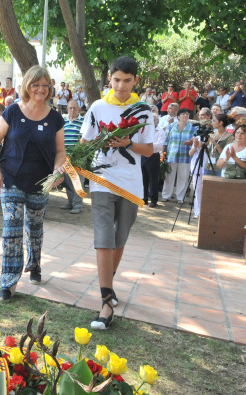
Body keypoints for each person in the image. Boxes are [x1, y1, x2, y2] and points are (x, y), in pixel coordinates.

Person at [79, 56, 154, 329]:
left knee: (119, 238)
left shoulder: (144, 110)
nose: (121, 85)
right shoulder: (97, 107)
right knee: (104, 238)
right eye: (116, 79)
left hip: (131, 184)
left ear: (135, 80)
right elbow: (84, 141)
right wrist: (80, 159)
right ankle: (106, 302)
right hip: (102, 180)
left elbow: (149, 150)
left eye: (127, 80)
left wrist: (128, 142)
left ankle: (107, 285)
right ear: (109, 79)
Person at [0, 65, 66, 302]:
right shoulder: (12, 112)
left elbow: (61, 150)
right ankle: (8, 282)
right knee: (11, 230)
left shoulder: (55, 117)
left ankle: (35, 265)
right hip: (11, 179)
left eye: (45, 85)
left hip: (41, 183)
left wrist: (57, 170)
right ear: (27, 86)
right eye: (35, 84)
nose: (40, 89)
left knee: (34, 228)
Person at [161, 108, 196, 202]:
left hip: (186, 155)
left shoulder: (193, 128)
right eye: (183, 114)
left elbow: (196, 141)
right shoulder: (171, 126)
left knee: (183, 177)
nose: (185, 115)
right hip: (172, 155)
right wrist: (162, 152)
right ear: (178, 116)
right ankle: (166, 195)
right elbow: (165, 140)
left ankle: (180, 197)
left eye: (187, 114)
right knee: (169, 176)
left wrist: (192, 142)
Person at [59, 100, 85, 214]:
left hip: (78, 157)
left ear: (78, 109)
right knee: (68, 181)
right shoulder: (63, 122)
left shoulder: (83, 122)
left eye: (74, 108)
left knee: (78, 181)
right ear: (67, 109)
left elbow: (86, 139)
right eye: (70, 108)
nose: (72, 110)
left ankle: (77, 205)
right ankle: (70, 203)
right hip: (65, 157)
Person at [142, 113, 165, 207]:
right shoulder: (144, 130)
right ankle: (144, 198)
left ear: (157, 121)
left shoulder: (161, 132)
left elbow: (159, 145)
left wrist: (147, 145)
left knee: (153, 179)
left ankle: (154, 200)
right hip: (143, 155)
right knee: (143, 178)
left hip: (154, 156)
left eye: (152, 120)